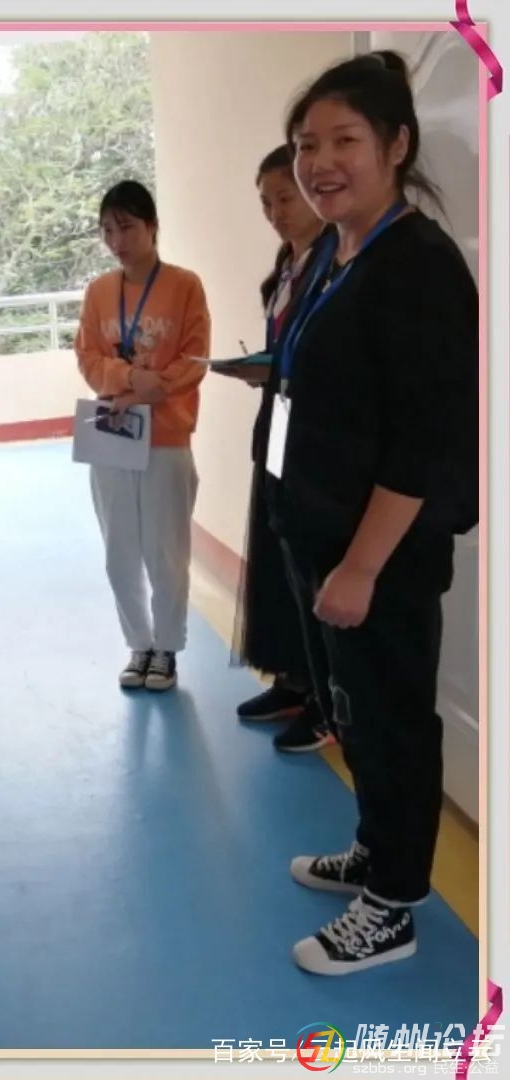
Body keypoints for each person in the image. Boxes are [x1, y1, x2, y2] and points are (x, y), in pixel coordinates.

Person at [270, 51, 477, 974]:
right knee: (356, 713)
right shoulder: (337, 251)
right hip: (321, 530)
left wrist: (359, 567)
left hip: (380, 553)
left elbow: (425, 442)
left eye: (343, 140)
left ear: (396, 144)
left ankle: (393, 904)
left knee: (394, 721)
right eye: (306, 143)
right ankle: (375, 847)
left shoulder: (418, 265)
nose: (319, 162)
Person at [74, 180, 210, 691]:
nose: (117, 241)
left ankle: (167, 649)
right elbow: (88, 357)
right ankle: (139, 644)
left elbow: (194, 358)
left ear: (153, 226)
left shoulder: (184, 285)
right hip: (111, 434)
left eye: (127, 227)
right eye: (107, 230)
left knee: (166, 552)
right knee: (119, 552)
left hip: (167, 438)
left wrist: (154, 390)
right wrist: (131, 379)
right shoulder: (98, 291)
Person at [228, 145, 335, 753]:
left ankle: (328, 701)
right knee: (278, 549)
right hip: (278, 421)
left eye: (285, 198)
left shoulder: (336, 260)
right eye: (266, 202)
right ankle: (294, 677)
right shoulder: (289, 263)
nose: (275, 212)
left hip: (313, 433)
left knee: (310, 555)